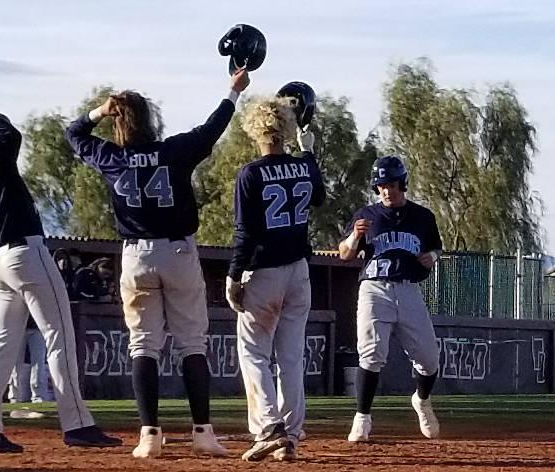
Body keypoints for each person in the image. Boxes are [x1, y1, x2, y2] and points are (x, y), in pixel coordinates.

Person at [65, 68, 250, 458]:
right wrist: (232, 93)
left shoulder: (112, 157)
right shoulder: (174, 151)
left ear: (118, 122)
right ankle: (202, 431)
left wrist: (99, 111)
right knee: (192, 344)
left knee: (143, 345)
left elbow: (73, 134)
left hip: (136, 256)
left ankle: (149, 435)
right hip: (179, 252)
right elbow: (212, 128)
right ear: (150, 120)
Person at [0, 96, 120, 452]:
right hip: (26, 253)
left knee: (1, 345)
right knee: (60, 336)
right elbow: (11, 134)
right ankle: (78, 425)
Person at [225, 97, 325, 461]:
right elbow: (320, 196)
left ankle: (269, 428)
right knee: (291, 357)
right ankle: (291, 436)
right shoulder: (301, 167)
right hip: (299, 271)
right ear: (285, 127)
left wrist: (234, 274)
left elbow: (245, 231)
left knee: (253, 352)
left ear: (254, 129)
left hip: (264, 272)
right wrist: (308, 154)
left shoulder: (250, 173)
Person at [338, 155, 442, 442]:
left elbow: (437, 249)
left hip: (408, 288)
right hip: (374, 288)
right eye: (381, 185)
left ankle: (421, 400)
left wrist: (430, 257)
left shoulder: (422, 216)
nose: (386, 190)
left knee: (429, 359)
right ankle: (362, 418)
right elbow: (345, 254)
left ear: (402, 183)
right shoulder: (366, 215)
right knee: (371, 354)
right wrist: (353, 239)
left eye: (391, 184)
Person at [7, 314, 51, 403]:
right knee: (15, 363)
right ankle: (15, 396)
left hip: (38, 327)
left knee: (38, 363)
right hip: (18, 327)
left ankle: (38, 396)